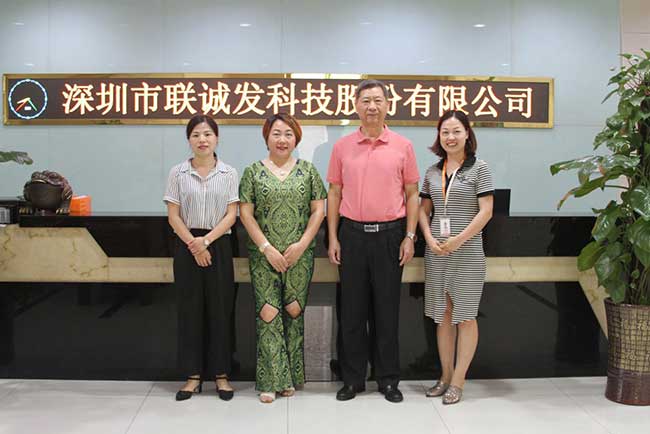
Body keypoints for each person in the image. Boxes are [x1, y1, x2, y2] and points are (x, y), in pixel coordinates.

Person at [327, 79, 420, 403]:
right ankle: (352, 379)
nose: (372, 106)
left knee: (386, 312)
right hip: (352, 236)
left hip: (390, 236)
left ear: (387, 105)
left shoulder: (403, 146)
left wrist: (410, 236)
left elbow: (412, 194)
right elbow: (334, 193)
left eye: (378, 100)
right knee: (351, 313)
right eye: (366, 100)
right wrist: (333, 236)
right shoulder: (342, 147)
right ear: (356, 105)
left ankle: (388, 380)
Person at [239, 113, 326, 403]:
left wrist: (302, 244)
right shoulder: (252, 172)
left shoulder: (308, 171)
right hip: (264, 255)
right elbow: (245, 214)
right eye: (276, 133)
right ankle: (270, 380)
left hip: (300, 255)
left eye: (288, 134)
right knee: (268, 313)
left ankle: (289, 377)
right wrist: (266, 248)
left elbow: (319, 210)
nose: (282, 139)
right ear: (267, 137)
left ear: (296, 139)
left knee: (293, 312)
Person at [418, 110, 494, 405]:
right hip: (437, 251)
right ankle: (445, 376)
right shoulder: (432, 172)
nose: (450, 137)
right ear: (439, 137)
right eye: (445, 132)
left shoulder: (480, 168)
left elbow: (486, 211)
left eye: (456, 131)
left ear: (467, 134)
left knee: (465, 315)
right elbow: (423, 211)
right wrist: (428, 238)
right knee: (443, 315)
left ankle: (459, 381)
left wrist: (459, 240)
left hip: (468, 251)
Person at [164, 114, 239, 401]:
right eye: (196, 135)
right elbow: (173, 216)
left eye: (207, 134)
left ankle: (221, 375)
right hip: (187, 246)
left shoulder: (229, 173)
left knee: (220, 310)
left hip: (218, 244)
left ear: (216, 138)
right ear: (189, 140)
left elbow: (231, 215)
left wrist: (206, 242)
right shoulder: (178, 173)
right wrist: (194, 245)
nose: (202, 140)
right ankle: (192, 376)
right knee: (190, 310)